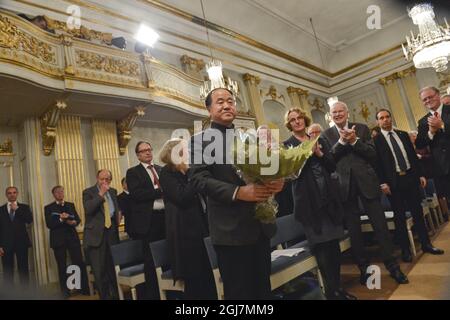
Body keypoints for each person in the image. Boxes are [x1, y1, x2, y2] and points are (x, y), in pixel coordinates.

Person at [189, 87, 284, 299]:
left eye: (230, 101)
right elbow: (198, 179)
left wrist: (276, 182)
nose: (227, 105)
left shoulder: (248, 138)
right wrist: (238, 192)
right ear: (208, 109)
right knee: (239, 294)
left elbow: (264, 171)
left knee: (263, 291)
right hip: (230, 231)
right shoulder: (199, 140)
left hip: (260, 227)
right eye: (220, 101)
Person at [322, 101, 408, 285]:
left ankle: (393, 267)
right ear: (330, 116)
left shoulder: (361, 128)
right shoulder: (326, 134)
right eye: (334, 112)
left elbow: (372, 154)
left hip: (367, 183)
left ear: (347, 112)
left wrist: (354, 141)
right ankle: (364, 270)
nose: (337, 115)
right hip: (344, 188)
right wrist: (341, 142)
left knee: (381, 227)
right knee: (355, 232)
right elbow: (328, 160)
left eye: (340, 111)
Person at [290, 118, 356, 300]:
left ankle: (337, 288)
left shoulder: (319, 140)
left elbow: (331, 165)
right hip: (310, 205)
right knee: (323, 250)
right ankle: (331, 291)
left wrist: (319, 154)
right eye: (292, 120)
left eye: (299, 118)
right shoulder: (287, 145)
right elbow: (291, 174)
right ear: (289, 124)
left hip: (329, 202)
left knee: (334, 248)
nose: (296, 122)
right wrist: (304, 154)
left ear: (305, 120)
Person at [374, 109, 444, 262]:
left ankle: (426, 244)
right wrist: (382, 182)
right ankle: (405, 250)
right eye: (381, 118)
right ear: (377, 122)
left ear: (391, 118)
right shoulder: (376, 141)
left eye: (387, 117)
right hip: (394, 183)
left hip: (410, 179)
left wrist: (420, 174)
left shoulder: (402, 135)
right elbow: (377, 164)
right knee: (399, 217)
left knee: (418, 213)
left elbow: (412, 157)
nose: (385, 120)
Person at [159, 138, 216, 299]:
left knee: (207, 276)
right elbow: (181, 196)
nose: (190, 152)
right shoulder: (167, 173)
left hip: (200, 228)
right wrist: (193, 174)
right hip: (184, 233)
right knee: (195, 281)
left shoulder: (188, 171)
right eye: (186, 149)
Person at [126, 141, 165, 299]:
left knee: (167, 255)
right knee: (151, 260)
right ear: (138, 155)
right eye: (144, 151)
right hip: (149, 222)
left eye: (149, 149)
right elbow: (137, 194)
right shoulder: (133, 172)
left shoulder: (162, 170)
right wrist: (160, 192)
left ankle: (169, 291)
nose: (148, 153)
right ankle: (154, 295)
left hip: (166, 217)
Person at [44, 185, 89, 297]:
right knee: (62, 266)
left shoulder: (70, 205)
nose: (60, 193)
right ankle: (65, 292)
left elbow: (78, 219)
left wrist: (74, 222)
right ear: (53, 194)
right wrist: (61, 219)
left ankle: (82, 288)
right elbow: (49, 224)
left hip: (72, 238)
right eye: (57, 192)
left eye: (61, 191)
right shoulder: (48, 208)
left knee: (78, 263)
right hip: (58, 241)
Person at [82, 169, 120, 300]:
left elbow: (114, 210)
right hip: (96, 236)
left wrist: (117, 216)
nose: (104, 182)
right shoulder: (88, 192)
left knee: (113, 268)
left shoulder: (113, 191)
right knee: (100, 270)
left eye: (107, 179)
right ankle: (104, 297)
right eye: (101, 179)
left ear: (110, 180)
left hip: (111, 233)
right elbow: (88, 209)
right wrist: (101, 194)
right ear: (97, 179)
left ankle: (116, 295)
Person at [416, 86, 450, 221]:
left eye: (430, 97)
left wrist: (442, 125)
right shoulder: (423, 121)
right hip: (441, 169)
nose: (428, 101)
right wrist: (431, 132)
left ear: (438, 95)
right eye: (425, 99)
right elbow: (419, 144)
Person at [0, 187, 33, 287]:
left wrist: (17, 210)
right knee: (8, 271)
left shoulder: (24, 207)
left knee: (23, 269)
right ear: (6, 195)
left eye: (14, 192)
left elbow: (29, 220)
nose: (12, 195)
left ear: (17, 193)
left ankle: (25, 294)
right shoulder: (1, 209)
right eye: (9, 193)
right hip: (5, 245)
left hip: (21, 243)